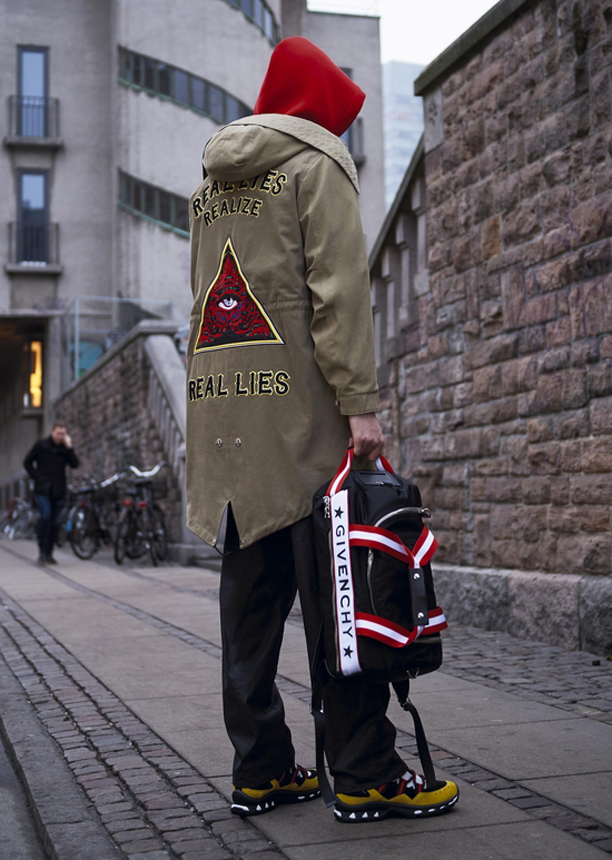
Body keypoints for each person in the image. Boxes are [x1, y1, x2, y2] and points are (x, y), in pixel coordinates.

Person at [186, 37, 458, 822]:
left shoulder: (212, 184)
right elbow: (340, 293)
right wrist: (361, 405)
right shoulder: (318, 165)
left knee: (248, 610)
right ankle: (368, 773)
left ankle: (263, 770)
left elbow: (211, 301)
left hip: (225, 424)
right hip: (302, 424)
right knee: (342, 596)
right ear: (323, 109)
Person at [24, 422, 79, 564]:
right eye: (58, 433)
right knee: (45, 516)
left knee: (55, 522)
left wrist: (70, 447)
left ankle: (49, 552)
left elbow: (75, 464)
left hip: (58, 490)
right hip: (43, 489)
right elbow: (27, 462)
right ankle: (42, 551)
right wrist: (37, 477)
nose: (60, 437)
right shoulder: (41, 446)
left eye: (63, 434)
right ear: (52, 432)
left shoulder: (64, 449)